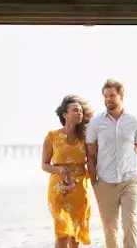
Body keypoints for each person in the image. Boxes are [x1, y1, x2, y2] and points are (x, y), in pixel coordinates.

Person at [86, 79, 137, 248]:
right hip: (105, 183)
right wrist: (94, 182)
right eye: (105, 96)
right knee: (110, 230)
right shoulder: (95, 123)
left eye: (112, 95)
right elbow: (90, 155)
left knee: (130, 223)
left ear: (121, 96)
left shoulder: (133, 122)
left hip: (129, 181)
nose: (108, 99)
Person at [42, 95, 94, 247]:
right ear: (65, 114)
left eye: (81, 111)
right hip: (59, 191)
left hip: (79, 190)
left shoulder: (85, 138)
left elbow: (92, 164)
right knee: (62, 232)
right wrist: (59, 169)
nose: (79, 113)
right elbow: (44, 165)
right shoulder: (52, 137)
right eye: (75, 110)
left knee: (75, 236)